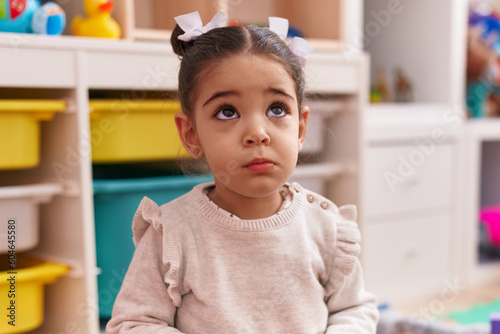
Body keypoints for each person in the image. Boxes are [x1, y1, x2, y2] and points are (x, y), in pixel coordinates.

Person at [106, 10, 379, 334]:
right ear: (192, 135)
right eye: (227, 112)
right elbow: (134, 323)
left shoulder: (325, 226)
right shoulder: (172, 233)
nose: (257, 133)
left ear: (301, 127)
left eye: (277, 109)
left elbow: (354, 309)